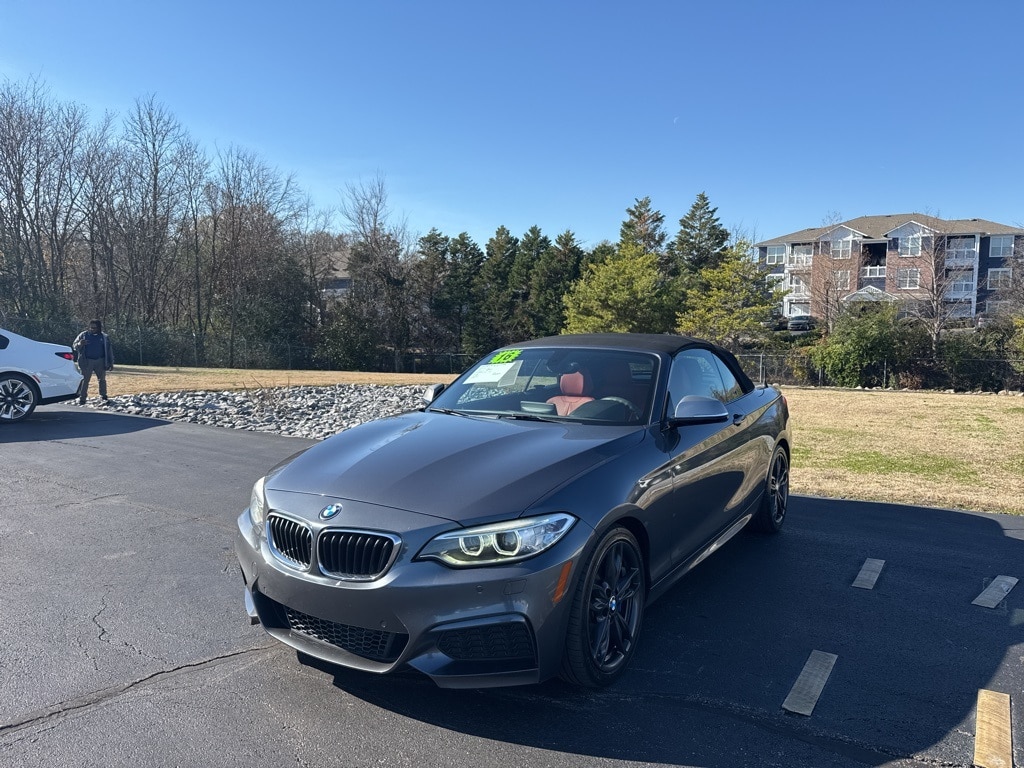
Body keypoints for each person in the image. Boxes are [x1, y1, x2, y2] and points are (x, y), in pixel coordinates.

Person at [73, 319, 114, 404]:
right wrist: (80, 344)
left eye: (94, 328)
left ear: (99, 328)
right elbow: (74, 346)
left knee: (102, 380)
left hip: (100, 361)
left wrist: (111, 363)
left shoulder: (104, 337)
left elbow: (109, 351)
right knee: (84, 380)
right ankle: (82, 398)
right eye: (91, 327)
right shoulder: (83, 335)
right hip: (87, 361)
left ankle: (103, 396)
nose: (92, 329)